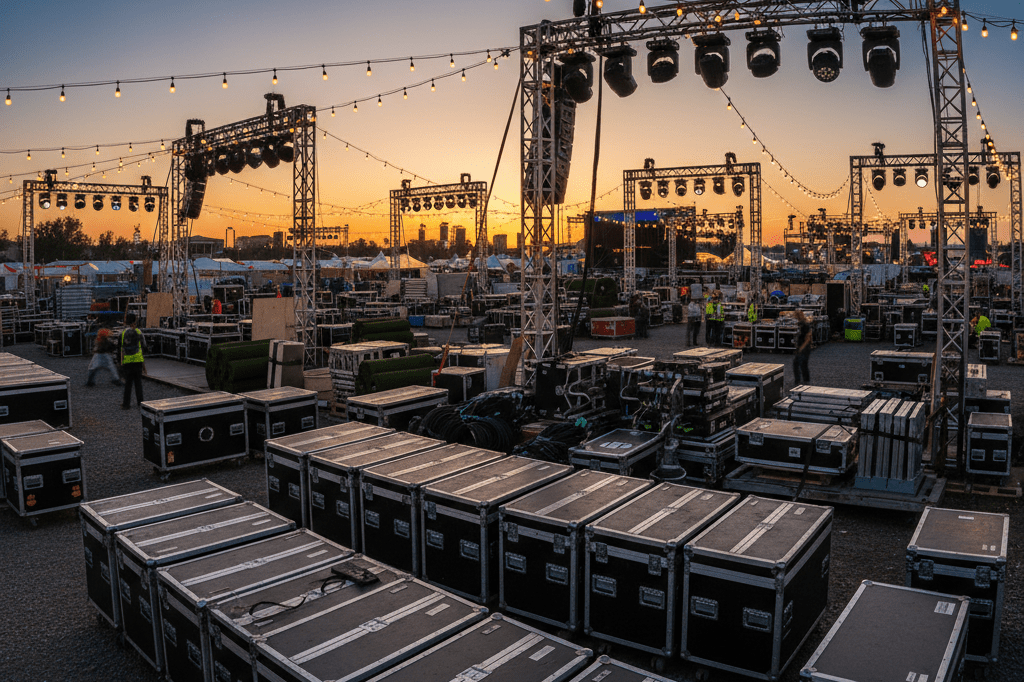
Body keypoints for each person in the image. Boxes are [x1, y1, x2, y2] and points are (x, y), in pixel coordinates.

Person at [120, 313, 146, 409]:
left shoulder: (123, 333)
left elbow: (121, 348)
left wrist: (121, 362)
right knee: (138, 383)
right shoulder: (138, 332)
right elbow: (144, 345)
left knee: (128, 384)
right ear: (135, 321)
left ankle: (126, 404)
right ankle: (141, 403)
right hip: (138, 360)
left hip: (127, 361)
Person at [793, 310, 813, 386]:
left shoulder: (805, 325)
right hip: (802, 347)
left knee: (799, 363)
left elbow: (808, 338)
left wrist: (802, 347)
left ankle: (801, 380)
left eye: (796, 315)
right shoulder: (802, 323)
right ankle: (804, 380)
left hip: (804, 348)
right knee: (801, 364)